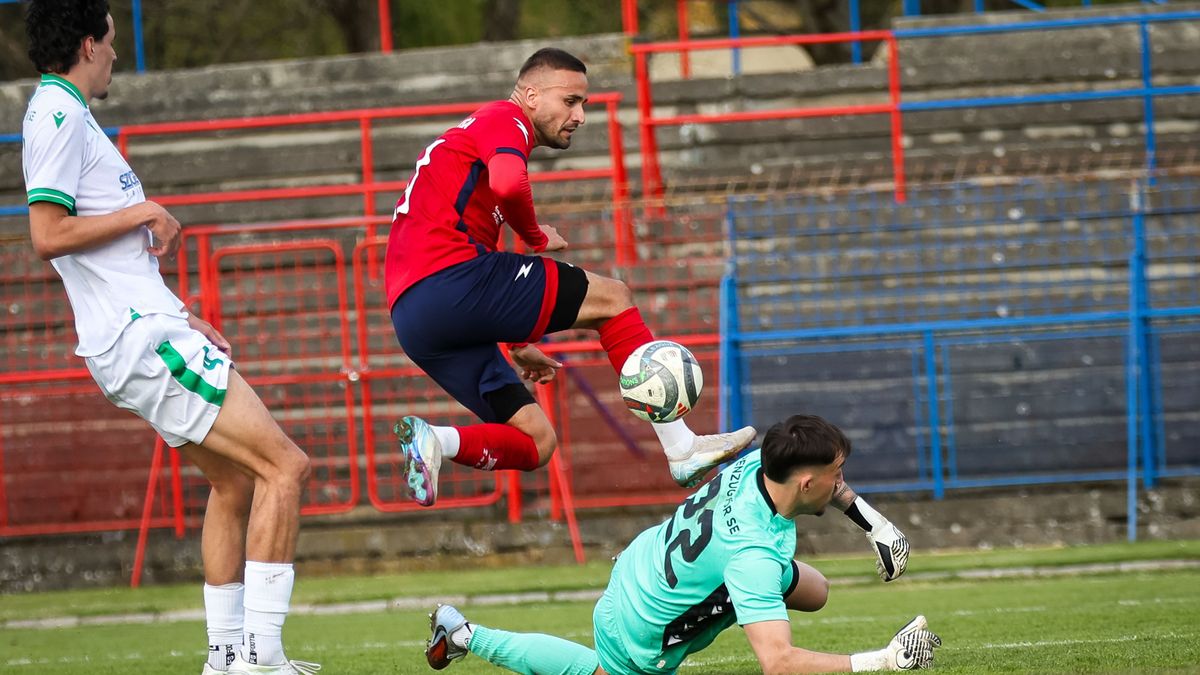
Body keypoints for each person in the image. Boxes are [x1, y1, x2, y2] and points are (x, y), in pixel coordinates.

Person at [21, 3, 318, 674]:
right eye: (112, 43)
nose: (117, 56)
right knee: (285, 467)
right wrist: (147, 208)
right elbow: (48, 234)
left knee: (234, 485)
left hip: (148, 329)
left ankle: (225, 659)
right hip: (137, 338)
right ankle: (263, 659)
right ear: (88, 43)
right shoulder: (59, 115)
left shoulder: (67, 114)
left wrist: (181, 314)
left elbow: (110, 259)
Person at [385, 47, 755, 507]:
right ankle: (680, 447)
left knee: (536, 443)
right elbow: (507, 184)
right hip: (453, 278)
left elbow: (477, 236)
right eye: (570, 101)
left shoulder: (469, 143)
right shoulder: (504, 118)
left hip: (415, 316)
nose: (579, 115)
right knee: (613, 298)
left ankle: (433, 442)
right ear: (531, 94)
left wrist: (518, 340)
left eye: (584, 104)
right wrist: (536, 235)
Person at [424, 414, 940, 674]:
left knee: (816, 590)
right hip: (643, 628)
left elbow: (816, 484)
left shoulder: (760, 462)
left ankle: (465, 632)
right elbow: (778, 664)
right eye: (837, 474)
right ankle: (466, 633)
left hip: (641, 563)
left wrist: (873, 523)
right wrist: (883, 660)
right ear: (806, 485)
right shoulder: (754, 557)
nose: (842, 481)